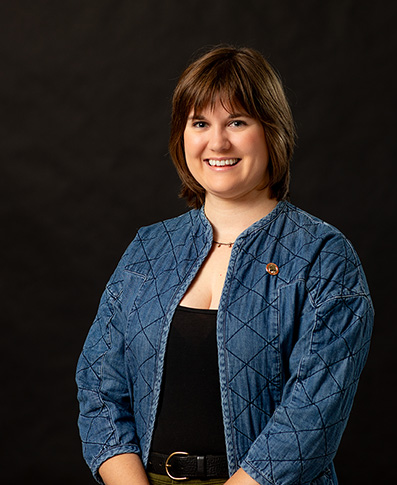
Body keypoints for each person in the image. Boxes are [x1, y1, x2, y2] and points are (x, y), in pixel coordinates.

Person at [76, 45, 374, 485]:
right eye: (200, 123)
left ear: (271, 130)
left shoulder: (324, 257)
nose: (217, 142)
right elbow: (99, 387)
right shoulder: (148, 247)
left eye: (237, 121)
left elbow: (313, 415)